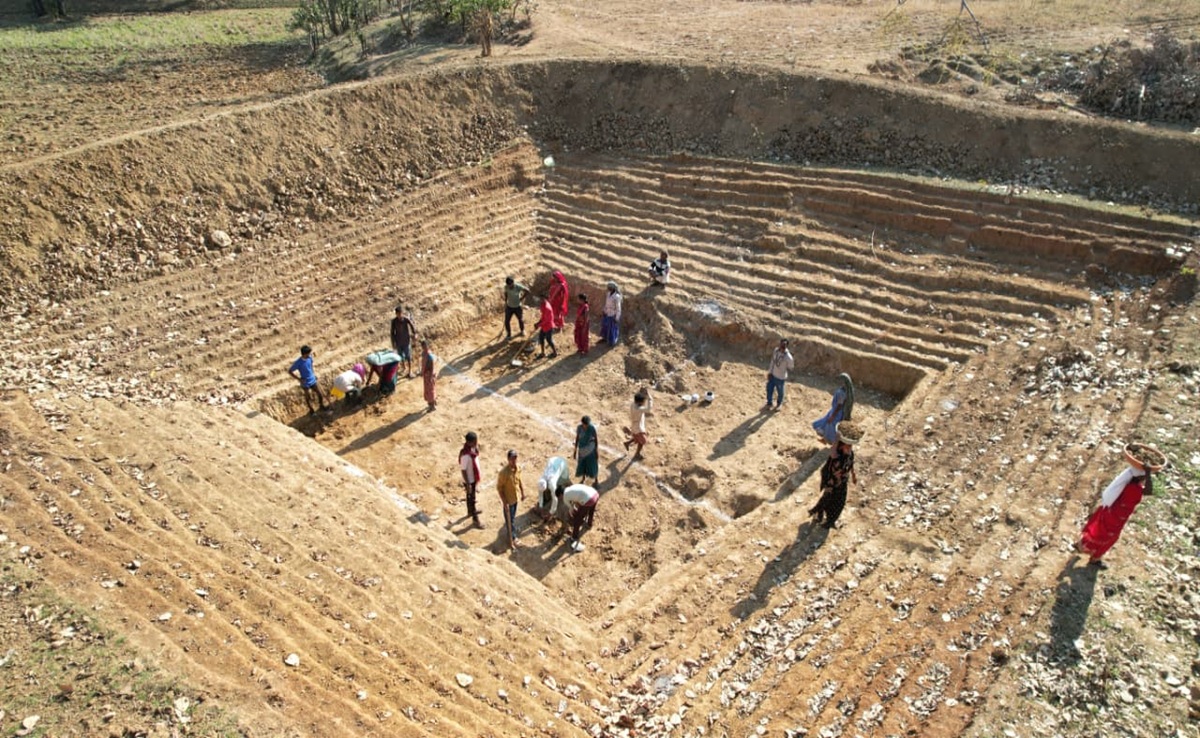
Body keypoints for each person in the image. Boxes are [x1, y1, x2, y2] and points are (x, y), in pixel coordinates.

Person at [1079, 465, 1154, 569]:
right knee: (1107, 537)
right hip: (1116, 518)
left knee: (1100, 532)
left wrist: (1147, 473)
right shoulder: (1134, 488)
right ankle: (1093, 556)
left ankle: (1082, 545)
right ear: (1140, 478)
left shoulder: (1124, 485)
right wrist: (1149, 473)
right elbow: (1149, 491)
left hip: (1113, 514)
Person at [808, 424, 859, 529]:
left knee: (839, 503)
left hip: (842, 482)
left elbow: (851, 464)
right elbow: (833, 450)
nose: (850, 448)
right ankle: (821, 516)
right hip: (832, 483)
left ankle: (829, 520)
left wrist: (853, 475)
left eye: (850, 446)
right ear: (842, 445)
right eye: (848, 446)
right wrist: (837, 437)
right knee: (827, 499)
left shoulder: (850, 454)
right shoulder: (837, 456)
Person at [555, 483, 599, 552]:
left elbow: (571, 508)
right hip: (595, 494)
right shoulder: (572, 487)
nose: (560, 499)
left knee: (577, 520)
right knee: (591, 511)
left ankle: (574, 537)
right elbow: (577, 501)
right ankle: (589, 524)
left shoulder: (565, 497)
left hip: (588, 499)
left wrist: (573, 515)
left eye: (559, 497)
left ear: (560, 494)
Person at [812, 373, 855, 443]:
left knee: (831, 426)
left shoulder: (842, 393)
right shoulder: (847, 391)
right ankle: (825, 439)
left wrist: (833, 415)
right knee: (826, 423)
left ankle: (830, 441)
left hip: (837, 412)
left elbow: (839, 405)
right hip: (835, 410)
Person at [497, 449, 525, 551]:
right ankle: (512, 537)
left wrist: (522, 493)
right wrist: (505, 503)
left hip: (515, 499)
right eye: (512, 459)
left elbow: (519, 480)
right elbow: (499, 488)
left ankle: (511, 529)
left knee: (512, 518)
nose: (514, 461)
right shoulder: (503, 473)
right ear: (508, 459)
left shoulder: (518, 469)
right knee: (510, 519)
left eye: (515, 458)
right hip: (508, 501)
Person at [288, 345, 327, 414]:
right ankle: (311, 410)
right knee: (308, 397)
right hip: (305, 382)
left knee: (320, 394)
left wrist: (313, 374)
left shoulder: (310, 358)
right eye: (308, 353)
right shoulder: (298, 363)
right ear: (304, 354)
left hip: (313, 379)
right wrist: (299, 379)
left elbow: (311, 366)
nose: (310, 354)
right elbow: (290, 371)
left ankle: (321, 405)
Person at [536, 456, 571, 522]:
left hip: (562, 465)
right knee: (548, 494)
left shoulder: (552, 483)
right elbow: (540, 494)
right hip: (552, 462)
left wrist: (550, 513)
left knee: (562, 482)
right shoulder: (541, 481)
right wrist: (540, 507)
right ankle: (547, 498)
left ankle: (567, 488)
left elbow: (555, 500)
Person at [459, 432, 482, 528]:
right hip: (470, 480)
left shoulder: (473, 449)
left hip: (473, 477)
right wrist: (468, 484)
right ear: (470, 442)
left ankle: (469, 512)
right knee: (472, 499)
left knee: (470, 497)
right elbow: (463, 470)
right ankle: (475, 520)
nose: (477, 442)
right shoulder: (465, 455)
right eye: (475, 441)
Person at [764, 339, 795, 411]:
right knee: (769, 389)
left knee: (780, 392)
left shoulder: (788, 357)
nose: (782, 346)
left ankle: (779, 404)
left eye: (784, 345)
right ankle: (769, 403)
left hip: (780, 377)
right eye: (782, 344)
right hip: (773, 374)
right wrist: (770, 372)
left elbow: (791, 367)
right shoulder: (776, 351)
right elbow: (772, 362)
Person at [623, 389, 653, 460]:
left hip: (635, 426)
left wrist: (641, 393)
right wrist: (649, 398)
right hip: (639, 428)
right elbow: (649, 409)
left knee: (637, 437)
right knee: (642, 441)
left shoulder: (633, 404)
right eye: (643, 401)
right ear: (640, 402)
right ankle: (637, 453)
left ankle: (627, 443)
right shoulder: (639, 409)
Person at [390, 305, 418, 379]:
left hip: (406, 341)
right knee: (400, 356)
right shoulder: (394, 322)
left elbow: (412, 326)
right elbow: (392, 333)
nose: (399, 315)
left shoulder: (406, 319)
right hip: (398, 342)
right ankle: (404, 367)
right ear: (396, 314)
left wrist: (415, 334)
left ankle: (410, 371)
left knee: (408, 356)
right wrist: (393, 343)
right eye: (398, 314)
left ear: (402, 313)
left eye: (400, 313)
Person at [573, 416, 599, 485]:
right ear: (582, 423)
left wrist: (596, 450)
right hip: (582, 450)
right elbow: (577, 438)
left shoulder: (592, 428)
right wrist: (575, 450)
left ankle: (596, 480)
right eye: (585, 424)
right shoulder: (579, 428)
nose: (586, 426)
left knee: (593, 465)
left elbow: (596, 439)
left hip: (590, 449)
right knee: (582, 464)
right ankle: (583, 478)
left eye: (587, 424)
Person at [537, 294, 558, 359]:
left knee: (549, 340)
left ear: (544, 298)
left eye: (542, 298)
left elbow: (546, 320)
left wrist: (538, 325)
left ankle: (555, 352)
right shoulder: (543, 304)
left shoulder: (547, 307)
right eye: (540, 298)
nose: (540, 300)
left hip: (548, 326)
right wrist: (538, 322)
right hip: (544, 325)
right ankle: (543, 353)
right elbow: (543, 316)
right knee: (541, 338)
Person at [602, 281, 622, 346]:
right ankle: (605, 338)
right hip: (607, 312)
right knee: (605, 326)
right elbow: (606, 303)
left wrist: (617, 318)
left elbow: (618, 308)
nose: (608, 288)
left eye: (609, 287)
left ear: (612, 288)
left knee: (612, 329)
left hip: (613, 314)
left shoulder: (617, 297)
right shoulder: (608, 294)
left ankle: (612, 342)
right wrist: (604, 310)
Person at [420, 339, 437, 412]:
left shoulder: (429, 356)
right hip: (426, 375)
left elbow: (432, 367)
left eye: (425, 346)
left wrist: (430, 377)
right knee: (429, 389)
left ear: (427, 346)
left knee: (430, 390)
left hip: (429, 375)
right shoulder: (424, 354)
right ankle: (433, 402)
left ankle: (432, 406)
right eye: (423, 346)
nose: (424, 348)